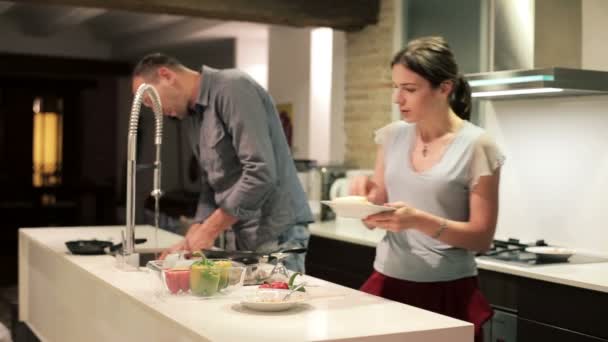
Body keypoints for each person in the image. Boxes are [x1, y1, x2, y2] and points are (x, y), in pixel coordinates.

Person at [349, 36, 504, 342]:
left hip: (447, 291)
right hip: (387, 281)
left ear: (444, 88)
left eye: (409, 89)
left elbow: (482, 238)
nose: (397, 99)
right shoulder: (391, 137)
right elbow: (376, 214)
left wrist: (418, 220)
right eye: (395, 87)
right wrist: (364, 201)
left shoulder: (477, 145)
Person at [131, 53, 314, 272]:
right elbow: (210, 184)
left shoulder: (232, 87)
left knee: (277, 300)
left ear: (166, 75)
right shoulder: (192, 117)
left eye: (150, 101)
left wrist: (209, 229)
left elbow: (260, 172)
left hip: (275, 230)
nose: (155, 111)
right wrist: (194, 232)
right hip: (241, 234)